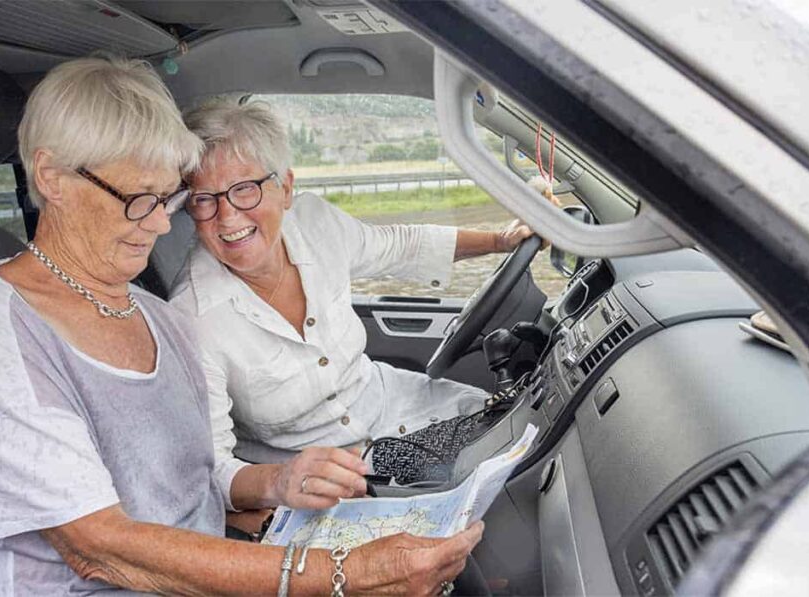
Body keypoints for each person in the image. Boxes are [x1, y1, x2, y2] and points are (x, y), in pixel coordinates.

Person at [0, 56, 482, 595]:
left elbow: (194, 488)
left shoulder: (155, 319)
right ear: (53, 178)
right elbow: (97, 550)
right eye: (138, 199)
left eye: (167, 198)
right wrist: (340, 573)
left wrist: (277, 490)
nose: (160, 225)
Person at [169, 99, 543, 499]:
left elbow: (400, 245)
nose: (227, 217)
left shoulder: (315, 224)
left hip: (402, 407)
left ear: (286, 189)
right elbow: (214, 469)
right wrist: (280, 483)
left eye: (244, 189)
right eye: (204, 199)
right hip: (335, 480)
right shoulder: (192, 318)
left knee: (524, 432)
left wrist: (499, 241)